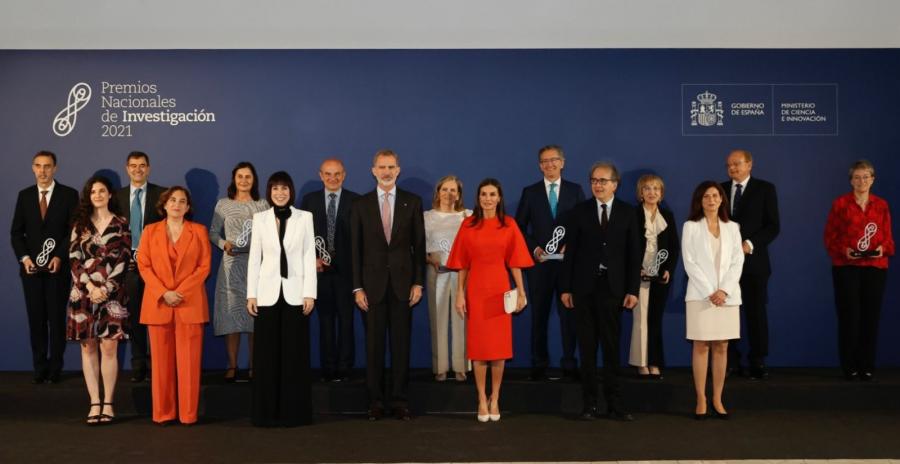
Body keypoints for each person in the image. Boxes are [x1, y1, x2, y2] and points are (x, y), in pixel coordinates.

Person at [560, 161, 641, 422]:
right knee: (586, 348)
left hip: (613, 289)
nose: (597, 185)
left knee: (611, 347)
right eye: (594, 180)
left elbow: (634, 254)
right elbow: (570, 253)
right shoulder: (579, 212)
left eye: (603, 181)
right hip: (584, 289)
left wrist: (632, 289)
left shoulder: (629, 213)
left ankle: (615, 404)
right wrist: (566, 288)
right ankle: (589, 404)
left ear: (615, 184)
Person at [447, 178, 532, 422]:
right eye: (483, 194)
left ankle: (496, 397)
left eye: (492, 194)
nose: (487, 198)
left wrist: (521, 291)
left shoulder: (509, 224)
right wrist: (460, 293)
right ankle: (481, 399)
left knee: (498, 350)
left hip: (499, 291)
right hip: (475, 290)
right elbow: (462, 264)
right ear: (478, 198)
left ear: (499, 197)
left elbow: (515, 261)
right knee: (479, 350)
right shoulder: (468, 225)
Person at [350, 149, 426, 421]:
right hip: (370, 288)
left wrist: (418, 282)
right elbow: (355, 250)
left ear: (398, 170)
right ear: (373, 170)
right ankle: (375, 402)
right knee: (373, 347)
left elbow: (419, 246)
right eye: (381, 167)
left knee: (401, 346)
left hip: (404, 286)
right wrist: (357, 287)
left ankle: (400, 400)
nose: (386, 171)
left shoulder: (412, 202)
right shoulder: (360, 205)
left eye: (391, 166)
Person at [246, 171, 317, 427]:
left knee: (294, 356)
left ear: (291, 191)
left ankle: (294, 413)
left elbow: (309, 256)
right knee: (266, 356)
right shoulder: (260, 218)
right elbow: (255, 258)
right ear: (269, 191)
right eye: (275, 188)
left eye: (284, 188)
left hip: (296, 294)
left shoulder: (304, 218)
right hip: (266, 294)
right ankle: (266, 413)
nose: (280, 193)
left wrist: (310, 292)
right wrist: (251, 294)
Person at [136, 186, 211, 425]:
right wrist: (163, 293)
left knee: (189, 364)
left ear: (188, 207)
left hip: (189, 304)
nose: (176, 204)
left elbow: (204, 267)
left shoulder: (198, 231)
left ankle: (188, 414)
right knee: (160, 365)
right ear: (164, 205)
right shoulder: (149, 231)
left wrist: (180, 292)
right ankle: (163, 413)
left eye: (182, 201)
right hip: (158, 304)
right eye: (172, 200)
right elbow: (144, 266)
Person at [515, 145, 585, 381]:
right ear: (539, 165)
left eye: (554, 160)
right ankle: (539, 363)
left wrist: (572, 245)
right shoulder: (530, 192)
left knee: (570, 317)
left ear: (563, 162)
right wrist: (534, 248)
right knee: (539, 316)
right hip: (539, 265)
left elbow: (584, 225)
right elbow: (519, 227)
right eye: (544, 161)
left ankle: (569, 363)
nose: (550, 165)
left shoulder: (575, 191)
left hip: (568, 266)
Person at [67, 175, 131, 425]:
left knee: (109, 347)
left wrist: (106, 288)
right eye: (93, 192)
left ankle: (109, 404)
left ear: (110, 194)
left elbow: (124, 259)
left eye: (102, 191)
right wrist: (89, 286)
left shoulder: (121, 223)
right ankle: (94, 402)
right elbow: (74, 259)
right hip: (83, 294)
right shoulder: (79, 225)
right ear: (88, 196)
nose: (98, 195)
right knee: (89, 346)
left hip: (112, 295)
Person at [11, 150, 79, 384]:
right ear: (32, 168)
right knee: (36, 319)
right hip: (30, 271)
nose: (42, 171)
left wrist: (60, 256)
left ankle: (55, 367)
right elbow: (16, 233)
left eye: (47, 166)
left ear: (55, 168)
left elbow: (74, 232)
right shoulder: (25, 196)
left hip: (57, 270)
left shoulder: (69, 195)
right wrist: (25, 258)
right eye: (38, 166)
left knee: (56, 319)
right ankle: (39, 367)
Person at [824, 160, 894, 381]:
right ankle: (850, 365)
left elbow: (889, 240)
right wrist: (845, 250)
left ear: (872, 179)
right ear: (851, 181)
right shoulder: (840, 204)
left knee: (870, 318)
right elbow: (829, 237)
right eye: (857, 177)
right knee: (849, 317)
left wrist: (883, 248)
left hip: (875, 267)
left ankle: (867, 365)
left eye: (866, 177)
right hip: (846, 268)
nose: (861, 181)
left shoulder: (881, 205)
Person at [682, 181, 744, 419]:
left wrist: (724, 290)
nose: (711, 200)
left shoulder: (733, 227)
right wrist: (711, 291)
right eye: (706, 196)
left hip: (727, 297)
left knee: (722, 346)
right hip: (701, 295)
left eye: (715, 196)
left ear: (722, 199)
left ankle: (718, 397)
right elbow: (690, 262)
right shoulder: (690, 226)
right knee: (701, 346)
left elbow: (738, 261)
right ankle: (701, 397)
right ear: (700, 200)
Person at [300, 159, 360, 382]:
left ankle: (345, 367)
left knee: (346, 321)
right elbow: (302, 237)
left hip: (347, 273)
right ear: (320, 175)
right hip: (319, 273)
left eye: (337, 174)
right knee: (325, 322)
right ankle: (327, 367)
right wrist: (311, 259)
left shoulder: (357, 201)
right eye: (328, 174)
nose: (332, 178)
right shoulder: (309, 201)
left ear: (344, 175)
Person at [722, 149, 780, 379]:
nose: (732, 168)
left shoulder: (765, 189)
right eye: (729, 165)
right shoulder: (720, 189)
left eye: (737, 164)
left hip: (754, 263)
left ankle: (758, 360)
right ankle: (730, 360)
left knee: (756, 312)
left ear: (750, 164)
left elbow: (773, 226)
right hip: (724, 265)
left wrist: (749, 243)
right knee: (727, 313)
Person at [209, 161, 269, 382]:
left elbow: (270, 234)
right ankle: (232, 366)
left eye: (248, 177)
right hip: (230, 266)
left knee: (255, 319)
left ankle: (255, 367)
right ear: (234, 179)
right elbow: (213, 233)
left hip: (258, 268)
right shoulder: (223, 204)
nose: (244, 180)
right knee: (231, 317)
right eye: (240, 176)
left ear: (254, 180)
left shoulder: (263, 205)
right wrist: (224, 243)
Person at [115, 151, 166, 383]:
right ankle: (138, 364)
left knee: (157, 315)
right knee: (134, 316)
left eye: (142, 165)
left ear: (149, 168)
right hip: (128, 267)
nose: (138, 169)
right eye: (133, 166)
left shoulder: (161, 195)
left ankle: (158, 363)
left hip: (156, 267)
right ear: (127, 168)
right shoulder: (117, 197)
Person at [629, 175, 679, 379]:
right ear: (641, 193)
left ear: (661, 193)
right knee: (640, 320)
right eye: (647, 189)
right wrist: (635, 269)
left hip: (660, 277)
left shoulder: (667, 215)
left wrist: (668, 269)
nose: (652, 192)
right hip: (638, 276)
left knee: (655, 320)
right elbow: (628, 246)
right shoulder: (632, 215)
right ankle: (641, 363)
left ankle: (655, 361)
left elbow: (674, 247)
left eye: (656, 189)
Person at [424, 175, 472, 382]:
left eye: (453, 190)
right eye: (445, 189)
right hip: (437, 273)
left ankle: (462, 366)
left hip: (463, 274)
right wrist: (429, 259)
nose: (449, 194)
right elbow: (418, 246)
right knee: (438, 320)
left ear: (459, 194)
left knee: (463, 319)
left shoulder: (468, 216)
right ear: (438, 192)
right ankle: (440, 367)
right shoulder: (427, 216)